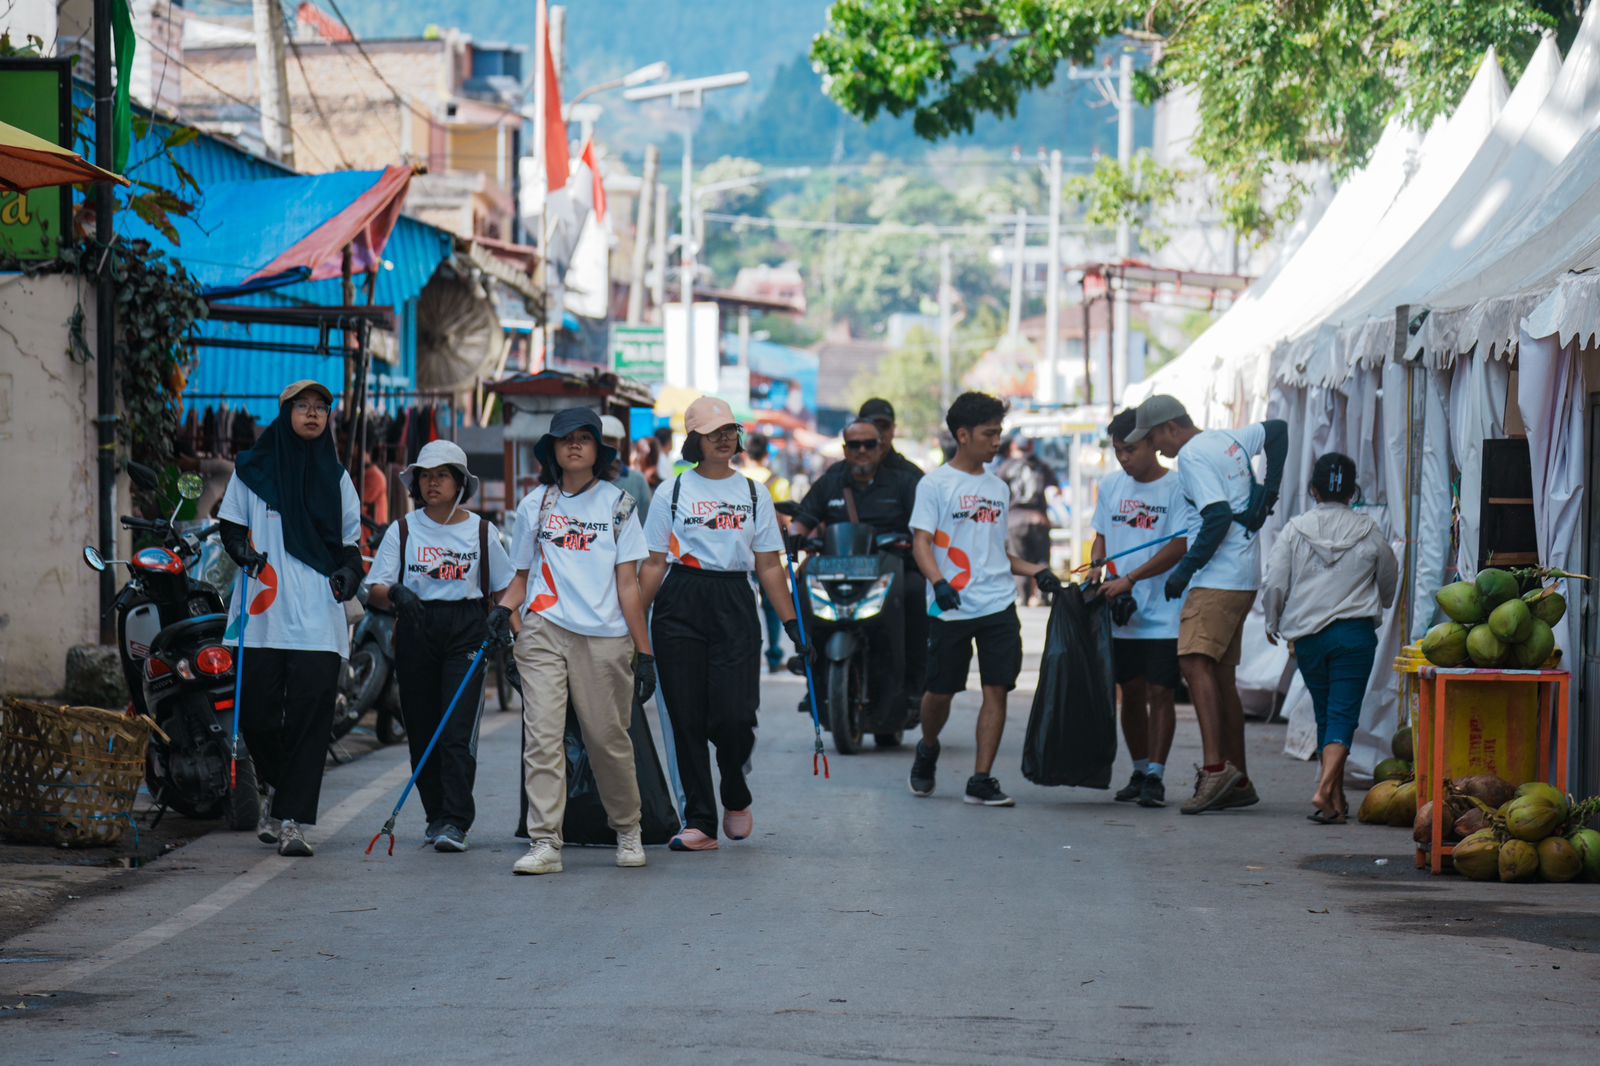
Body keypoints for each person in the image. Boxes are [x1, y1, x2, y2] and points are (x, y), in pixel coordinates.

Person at [488, 408, 655, 875]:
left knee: (606, 740)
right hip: (543, 631)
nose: (575, 445)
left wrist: (645, 652)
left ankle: (628, 828)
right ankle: (545, 842)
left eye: (585, 438)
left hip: (604, 638)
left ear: (599, 451)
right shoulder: (535, 505)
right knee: (542, 738)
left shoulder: (619, 504)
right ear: (553, 450)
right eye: (566, 439)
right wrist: (503, 610)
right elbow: (521, 577)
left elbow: (629, 585)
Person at [638, 396, 804, 851]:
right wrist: (630, 624)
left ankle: (734, 784)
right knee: (686, 717)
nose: (725, 438)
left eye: (730, 430)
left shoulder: (754, 493)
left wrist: (792, 624)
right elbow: (653, 563)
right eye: (714, 432)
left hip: (734, 600)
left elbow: (769, 566)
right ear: (695, 440)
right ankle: (700, 821)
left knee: (735, 715)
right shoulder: (671, 492)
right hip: (679, 601)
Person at [217, 380, 363, 857]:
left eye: (321, 407)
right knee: (257, 715)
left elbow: (350, 547)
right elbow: (232, 527)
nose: (313, 414)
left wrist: (346, 575)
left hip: (319, 618)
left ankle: (292, 820)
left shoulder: (337, 478)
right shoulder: (251, 471)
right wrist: (243, 552)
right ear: (285, 413)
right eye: (303, 406)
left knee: (309, 720)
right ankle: (280, 792)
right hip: (261, 615)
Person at [1124, 394, 1287, 814]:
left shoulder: (1192, 456)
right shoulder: (1225, 438)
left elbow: (1214, 517)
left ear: (1171, 427)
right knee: (1220, 676)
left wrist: (1184, 571)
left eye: (1156, 438)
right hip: (1244, 572)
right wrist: (1266, 494)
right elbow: (1278, 431)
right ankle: (1239, 779)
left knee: (1193, 663)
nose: (1157, 448)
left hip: (1216, 577)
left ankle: (1215, 771)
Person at [907, 391, 1061, 806]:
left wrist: (1036, 571)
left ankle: (981, 779)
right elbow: (921, 542)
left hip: (998, 605)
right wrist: (939, 582)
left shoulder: (998, 488)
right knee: (940, 692)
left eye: (999, 433)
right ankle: (928, 745)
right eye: (989, 434)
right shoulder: (935, 484)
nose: (997, 442)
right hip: (948, 605)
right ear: (963, 434)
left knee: (997, 689)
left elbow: (996, 554)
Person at [363, 441, 513, 852]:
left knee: (456, 728)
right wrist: (396, 594)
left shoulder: (482, 531)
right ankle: (435, 816)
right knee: (423, 728)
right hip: (415, 628)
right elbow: (374, 589)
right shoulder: (403, 529)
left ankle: (455, 820)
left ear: (460, 483)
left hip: (466, 630)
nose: (432, 483)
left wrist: (508, 634)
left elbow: (505, 589)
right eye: (425, 476)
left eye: (442, 475)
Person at [1261, 453, 1397, 824]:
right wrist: (1381, 600)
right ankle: (1324, 790)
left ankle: (1334, 803)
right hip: (1354, 635)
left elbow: (1274, 580)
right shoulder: (1368, 529)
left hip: (1308, 639)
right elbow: (1388, 576)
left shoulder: (1294, 530)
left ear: (1313, 489)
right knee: (1341, 714)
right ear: (1353, 491)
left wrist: (1272, 620)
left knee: (1326, 712)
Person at [1091, 409, 1194, 809]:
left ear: (1154, 443)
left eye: (1130, 449)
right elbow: (1100, 537)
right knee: (1129, 692)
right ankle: (1138, 768)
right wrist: (1098, 567)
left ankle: (1157, 774)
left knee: (1160, 692)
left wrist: (1132, 579)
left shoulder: (1178, 488)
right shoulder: (1111, 486)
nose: (1124, 459)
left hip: (1164, 612)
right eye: (1118, 451)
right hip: (1120, 613)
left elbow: (1180, 545)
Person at [792, 418, 925, 703]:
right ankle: (811, 676)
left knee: (916, 591)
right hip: (835, 572)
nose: (862, 450)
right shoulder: (829, 482)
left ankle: (915, 685)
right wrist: (794, 539)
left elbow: (923, 529)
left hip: (892, 569)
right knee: (800, 590)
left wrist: (915, 542)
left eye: (869, 444)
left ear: (881, 447)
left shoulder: (904, 483)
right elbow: (802, 521)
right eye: (855, 445)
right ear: (845, 449)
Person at [742, 432, 793, 673]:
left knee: (744, 603)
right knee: (773, 603)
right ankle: (773, 655)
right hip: (769, 552)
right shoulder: (779, 483)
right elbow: (787, 522)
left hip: (741, 552)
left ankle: (746, 651)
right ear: (766, 453)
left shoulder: (737, 479)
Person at [998, 436, 1059, 606]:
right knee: (1042, 558)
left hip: (1015, 519)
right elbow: (1054, 489)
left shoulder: (1006, 466)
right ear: (1031, 446)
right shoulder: (1041, 465)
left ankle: (1022, 597)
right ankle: (1043, 594)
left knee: (1018, 558)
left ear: (1014, 446)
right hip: (1039, 518)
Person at [855, 398, 924, 479]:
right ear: (858, 428)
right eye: (873, 426)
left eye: (884, 426)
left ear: (893, 429)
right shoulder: (840, 475)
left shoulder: (911, 477)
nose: (879, 433)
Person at [603, 414, 652, 525]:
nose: (605, 446)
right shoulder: (587, 480)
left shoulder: (637, 480)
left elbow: (646, 521)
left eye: (610, 441)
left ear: (622, 444)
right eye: (601, 441)